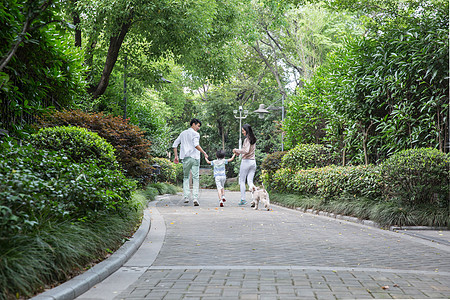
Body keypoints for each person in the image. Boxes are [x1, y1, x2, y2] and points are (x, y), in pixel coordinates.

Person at [172, 118, 208, 206]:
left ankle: (186, 197)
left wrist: (176, 156)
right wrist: (204, 152)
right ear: (193, 124)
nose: (198, 128)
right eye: (198, 126)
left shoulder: (183, 133)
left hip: (186, 158)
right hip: (195, 157)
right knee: (196, 178)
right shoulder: (196, 134)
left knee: (186, 177)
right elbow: (196, 145)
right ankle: (195, 198)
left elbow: (174, 145)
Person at [233, 124, 257, 206]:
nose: (242, 132)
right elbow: (248, 151)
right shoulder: (253, 139)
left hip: (246, 162)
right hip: (253, 162)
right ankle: (254, 199)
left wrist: (237, 150)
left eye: (243, 130)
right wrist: (239, 152)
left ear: (246, 131)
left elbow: (246, 150)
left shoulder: (247, 140)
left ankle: (243, 199)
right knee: (250, 181)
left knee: (242, 181)